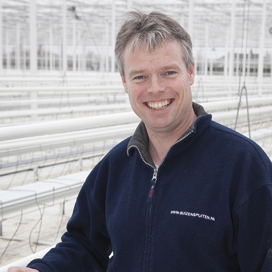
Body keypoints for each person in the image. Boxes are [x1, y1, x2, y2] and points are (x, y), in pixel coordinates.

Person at [8, 10, 272, 272]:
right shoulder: (115, 166)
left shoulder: (243, 164)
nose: (155, 88)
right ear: (124, 82)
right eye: (140, 76)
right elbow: (84, 245)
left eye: (169, 72)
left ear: (190, 72)